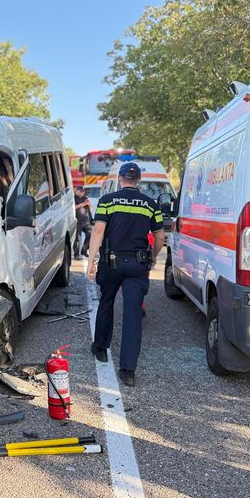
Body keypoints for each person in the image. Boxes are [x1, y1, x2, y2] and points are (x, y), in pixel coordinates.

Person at [85, 162, 165, 387]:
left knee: (107, 302)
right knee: (132, 315)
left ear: (120, 179)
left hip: (111, 263)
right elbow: (159, 238)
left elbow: (98, 230)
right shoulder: (150, 204)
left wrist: (91, 261)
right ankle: (128, 370)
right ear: (139, 180)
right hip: (138, 265)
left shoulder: (107, 201)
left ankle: (100, 347)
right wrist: (154, 257)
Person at [73, 186, 92, 258]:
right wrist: (83, 204)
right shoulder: (74, 198)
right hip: (78, 220)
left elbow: (90, 208)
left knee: (90, 234)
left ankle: (84, 250)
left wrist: (88, 203)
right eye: (81, 191)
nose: (82, 193)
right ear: (77, 191)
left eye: (83, 191)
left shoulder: (85, 198)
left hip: (86, 220)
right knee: (77, 238)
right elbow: (73, 207)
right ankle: (76, 254)